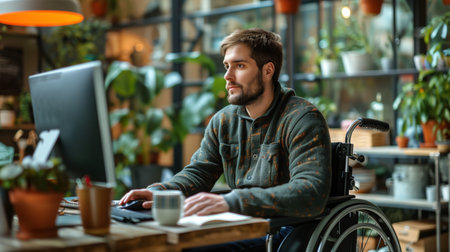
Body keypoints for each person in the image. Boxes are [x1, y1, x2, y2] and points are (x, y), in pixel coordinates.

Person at [119, 28, 331, 251]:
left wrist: (232, 201)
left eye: (240, 66)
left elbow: (310, 190)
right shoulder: (223, 120)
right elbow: (199, 172)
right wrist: (160, 191)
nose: (227, 76)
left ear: (268, 71)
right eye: (227, 66)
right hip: (240, 223)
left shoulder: (302, 118)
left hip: (285, 230)